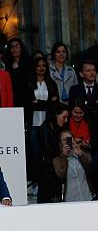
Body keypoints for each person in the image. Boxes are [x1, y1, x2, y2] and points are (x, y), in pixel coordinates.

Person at [25, 57, 59, 189]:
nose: (41, 68)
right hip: (33, 123)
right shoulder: (29, 83)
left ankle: (48, 182)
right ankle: (36, 182)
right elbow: (28, 103)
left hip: (47, 123)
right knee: (35, 153)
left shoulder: (51, 83)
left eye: (44, 66)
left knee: (48, 152)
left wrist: (38, 103)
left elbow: (55, 104)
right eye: (38, 66)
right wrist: (47, 103)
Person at [37, 103, 69, 203]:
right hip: (47, 176)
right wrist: (62, 149)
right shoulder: (45, 129)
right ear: (56, 115)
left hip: (55, 174)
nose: (66, 120)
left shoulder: (57, 129)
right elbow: (49, 150)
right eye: (64, 117)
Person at [52, 129, 93, 202]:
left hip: (87, 198)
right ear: (60, 143)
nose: (68, 141)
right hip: (70, 202)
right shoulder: (57, 160)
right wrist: (64, 156)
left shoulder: (81, 154)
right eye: (64, 140)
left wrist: (81, 154)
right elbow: (61, 174)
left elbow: (91, 166)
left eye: (69, 139)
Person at [4, 37, 31, 107]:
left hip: (26, 99)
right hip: (12, 99)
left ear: (21, 48)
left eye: (16, 46)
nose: (14, 49)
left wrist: (17, 69)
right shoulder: (7, 64)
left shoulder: (28, 63)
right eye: (12, 47)